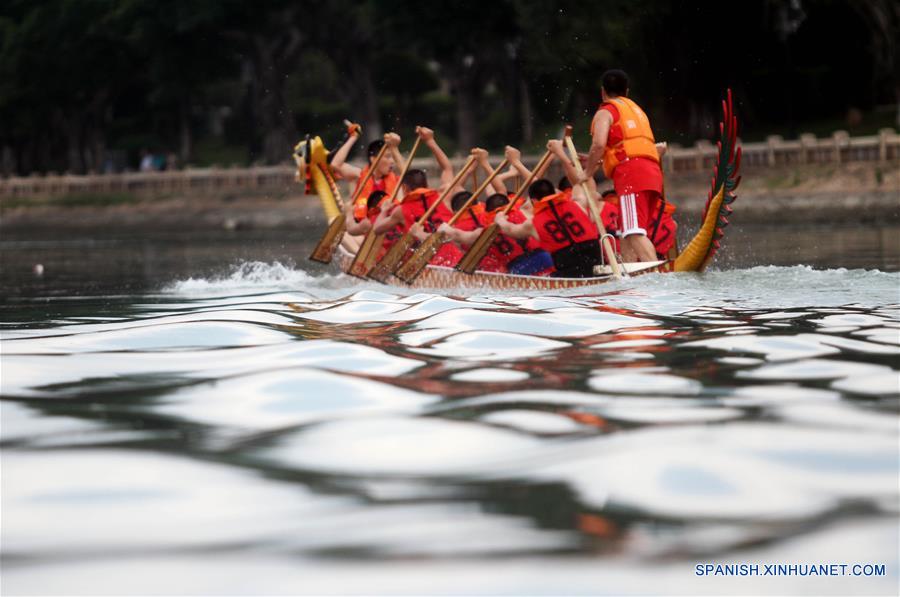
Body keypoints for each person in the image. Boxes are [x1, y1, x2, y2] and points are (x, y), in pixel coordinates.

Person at [581, 69, 667, 263]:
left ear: (603, 91)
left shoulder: (606, 111)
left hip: (631, 175)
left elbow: (599, 144)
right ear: (626, 92)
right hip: (652, 173)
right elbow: (624, 147)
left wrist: (587, 172)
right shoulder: (636, 110)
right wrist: (594, 158)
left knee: (634, 232)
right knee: (627, 230)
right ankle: (629, 274)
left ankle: (656, 278)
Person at [371, 127, 463, 267]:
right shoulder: (443, 196)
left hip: (427, 268)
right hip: (456, 262)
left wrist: (384, 210)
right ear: (425, 184)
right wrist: (431, 141)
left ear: (405, 188)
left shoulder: (400, 210)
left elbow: (377, 229)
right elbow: (447, 168)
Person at [495, 176, 602, 278]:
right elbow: (582, 183)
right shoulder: (578, 204)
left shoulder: (532, 223)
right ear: (554, 193)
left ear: (534, 201)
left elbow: (510, 230)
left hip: (567, 262)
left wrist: (500, 219)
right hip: (594, 254)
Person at [330, 123, 400, 222]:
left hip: (386, 229)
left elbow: (407, 174)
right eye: (388, 157)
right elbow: (336, 164)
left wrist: (395, 147)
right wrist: (353, 137)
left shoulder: (396, 180)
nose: (392, 161)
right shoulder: (358, 175)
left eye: (392, 157)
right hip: (360, 228)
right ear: (373, 159)